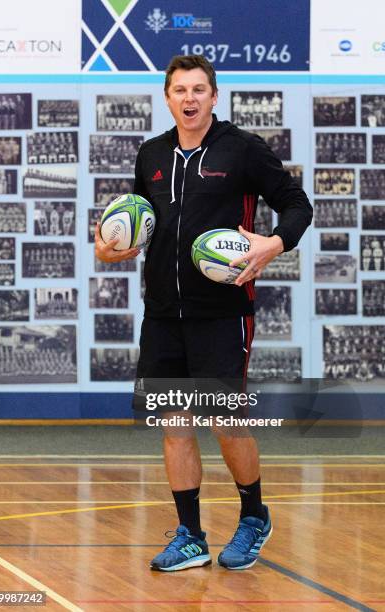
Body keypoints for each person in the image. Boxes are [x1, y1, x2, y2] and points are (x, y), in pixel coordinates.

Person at [95, 55, 312, 572]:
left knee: (224, 421)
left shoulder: (241, 150)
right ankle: (190, 535)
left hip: (222, 311)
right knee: (175, 422)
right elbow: (137, 226)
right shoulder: (150, 154)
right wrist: (109, 248)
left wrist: (273, 244)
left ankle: (254, 516)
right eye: (179, 90)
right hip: (164, 313)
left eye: (198, 89)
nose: (189, 99)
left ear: (215, 96)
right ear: (166, 97)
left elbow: (298, 204)